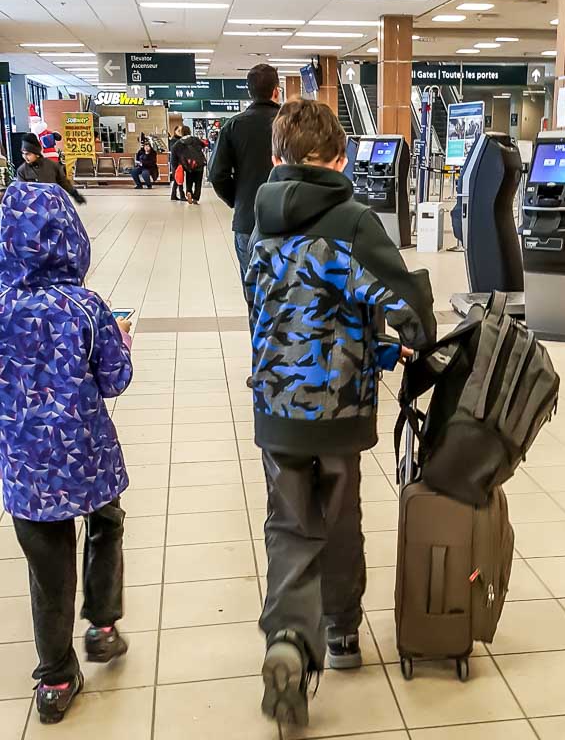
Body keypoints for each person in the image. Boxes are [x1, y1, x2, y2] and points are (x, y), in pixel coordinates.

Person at [246, 98, 436, 727]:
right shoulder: (352, 220)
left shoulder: (260, 220)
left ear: (278, 157)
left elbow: (282, 311)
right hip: (336, 409)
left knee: (289, 522)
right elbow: (401, 302)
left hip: (276, 405)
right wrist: (404, 340)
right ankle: (341, 633)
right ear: (342, 156)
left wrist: (369, 338)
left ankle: (287, 642)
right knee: (340, 515)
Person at [0, 181, 134, 724]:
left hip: (26, 468)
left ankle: (55, 678)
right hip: (88, 455)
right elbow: (114, 378)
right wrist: (121, 340)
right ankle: (102, 626)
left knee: (46, 567)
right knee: (106, 523)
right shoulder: (86, 306)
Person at [209, 63, 280, 288]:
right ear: (276, 91)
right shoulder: (292, 123)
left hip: (247, 221)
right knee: (289, 296)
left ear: (249, 92)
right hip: (289, 221)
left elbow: (217, 174)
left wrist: (237, 198)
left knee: (255, 295)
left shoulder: (233, 126)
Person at [16, 133, 86, 204]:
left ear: (36, 154)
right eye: (23, 153)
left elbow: (63, 182)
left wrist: (75, 194)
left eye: (28, 154)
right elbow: (22, 191)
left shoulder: (52, 165)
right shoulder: (22, 171)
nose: (25, 157)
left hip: (53, 204)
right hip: (34, 207)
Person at [171, 126, 207, 205]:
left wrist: (175, 167)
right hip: (199, 164)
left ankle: (189, 192)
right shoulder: (195, 139)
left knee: (189, 181)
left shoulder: (178, 143)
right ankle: (196, 198)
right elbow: (203, 145)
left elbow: (173, 155)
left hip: (188, 165)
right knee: (198, 183)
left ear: (182, 132)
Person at [169, 125, 186, 202]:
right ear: (175, 131)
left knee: (177, 179)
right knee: (179, 178)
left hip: (179, 162)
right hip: (176, 162)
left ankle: (173, 195)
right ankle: (181, 196)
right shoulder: (174, 141)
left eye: (181, 131)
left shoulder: (180, 140)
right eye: (178, 131)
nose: (180, 132)